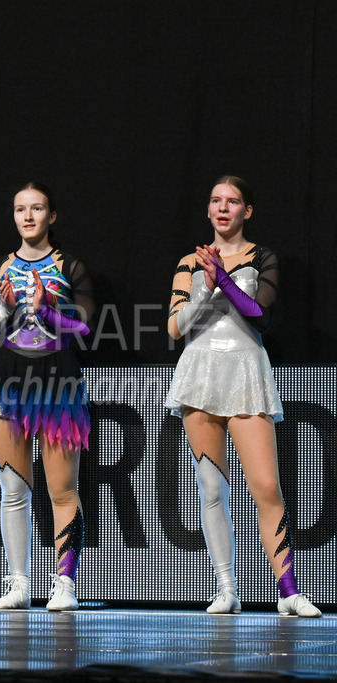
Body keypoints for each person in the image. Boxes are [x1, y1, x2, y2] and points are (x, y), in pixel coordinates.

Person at [164, 176, 321, 618]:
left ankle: (288, 590)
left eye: (232, 201)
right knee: (210, 487)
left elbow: (261, 316)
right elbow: (175, 328)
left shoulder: (261, 257)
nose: (223, 207)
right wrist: (208, 285)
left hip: (245, 369)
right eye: (215, 200)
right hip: (200, 372)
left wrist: (224, 282)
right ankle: (226, 587)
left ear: (246, 211)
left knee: (266, 486)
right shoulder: (188, 262)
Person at [0, 182, 93, 612]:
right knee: (13, 490)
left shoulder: (70, 267)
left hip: (57, 379)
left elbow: (85, 330)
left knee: (63, 490)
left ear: (51, 216)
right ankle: (18, 582)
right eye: (20, 208)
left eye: (37, 208)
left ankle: (64, 583)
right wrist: (5, 311)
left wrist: (44, 310)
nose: (28, 216)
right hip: (5, 378)